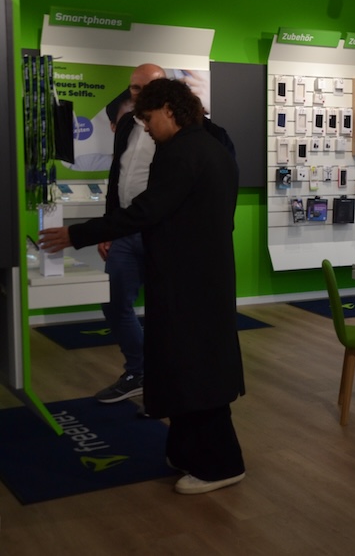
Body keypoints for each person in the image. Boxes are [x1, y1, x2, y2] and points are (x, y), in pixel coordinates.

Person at [40, 78, 245, 495]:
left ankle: (220, 464)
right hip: (202, 277)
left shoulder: (182, 153)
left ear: (169, 109)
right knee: (186, 368)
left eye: (148, 119)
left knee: (194, 372)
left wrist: (77, 234)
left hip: (188, 282)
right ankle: (189, 452)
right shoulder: (211, 147)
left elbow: (145, 211)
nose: (146, 128)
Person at [93, 64, 167, 404]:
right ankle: (139, 371)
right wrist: (108, 227)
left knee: (165, 308)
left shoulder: (178, 129)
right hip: (124, 230)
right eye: (135, 88)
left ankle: (166, 379)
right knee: (113, 302)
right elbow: (116, 177)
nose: (139, 94)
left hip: (160, 233)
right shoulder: (125, 124)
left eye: (147, 87)